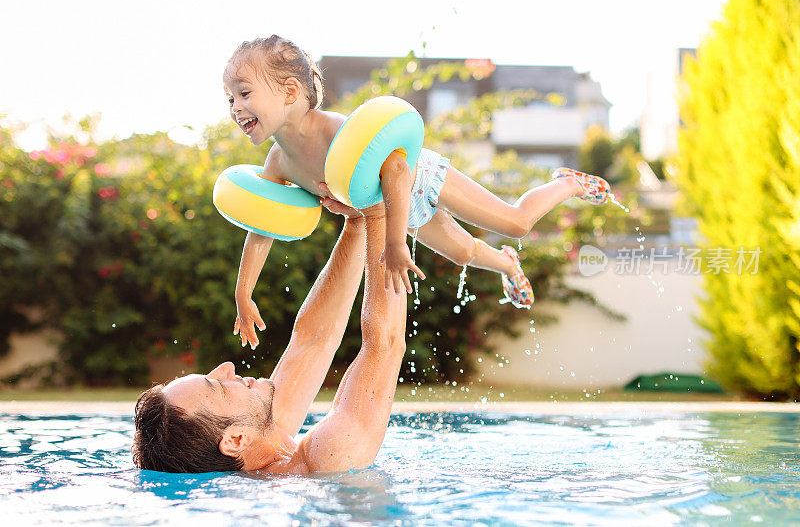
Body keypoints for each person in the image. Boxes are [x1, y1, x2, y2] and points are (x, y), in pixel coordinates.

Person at [225, 35, 611, 349]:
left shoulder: (334, 131)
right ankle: (508, 264)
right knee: (463, 252)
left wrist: (395, 244)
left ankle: (567, 182)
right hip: (398, 211)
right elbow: (264, 226)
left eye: (244, 94)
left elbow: (395, 167)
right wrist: (244, 293)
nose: (235, 107)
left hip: (421, 176)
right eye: (229, 98)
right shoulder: (279, 162)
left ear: (290, 91)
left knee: (517, 223)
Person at [132, 200, 409, 473]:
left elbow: (313, 338)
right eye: (219, 386)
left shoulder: (263, 437)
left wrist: (357, 223)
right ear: (235, 440)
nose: (227, 368)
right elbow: (385, 345)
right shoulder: (324, 462)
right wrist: (378, 213)